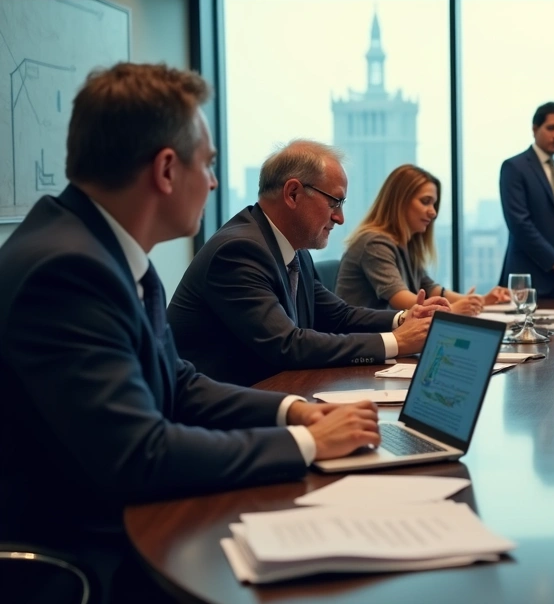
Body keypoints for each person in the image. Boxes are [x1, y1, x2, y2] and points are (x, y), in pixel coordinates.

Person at [0, 63, 381, 601]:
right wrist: (305, 442)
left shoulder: (103, 251)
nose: (214, 182)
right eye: (207, 164)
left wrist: (293, 411)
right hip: (86, 556)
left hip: (132, 516)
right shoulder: (67, 272)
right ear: (164, 170)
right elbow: (141, 454)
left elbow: (176, 381)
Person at [167, 140, 446, 386]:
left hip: (273, 393)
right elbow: (287, 345)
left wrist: (403, 319)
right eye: (335, 202)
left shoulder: (295, 250)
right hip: (220, 420)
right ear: (293, 194)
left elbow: (338, 316)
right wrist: (397, 341)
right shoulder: (238, 251)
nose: (340, 218)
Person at [336, 163, 510, 314]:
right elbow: (402, 299)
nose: (433, 212)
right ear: (400, 201)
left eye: (434, 204)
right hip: (366, 345)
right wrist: (452, 310)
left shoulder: (404, 243)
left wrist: (479, 301)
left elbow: (430, 289)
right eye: (425, 201)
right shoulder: (374, 243)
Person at [499, 101, 554, 298]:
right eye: (551, 128)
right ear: (534, 128)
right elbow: (519, 224)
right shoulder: (514, 168)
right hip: (529, 283)